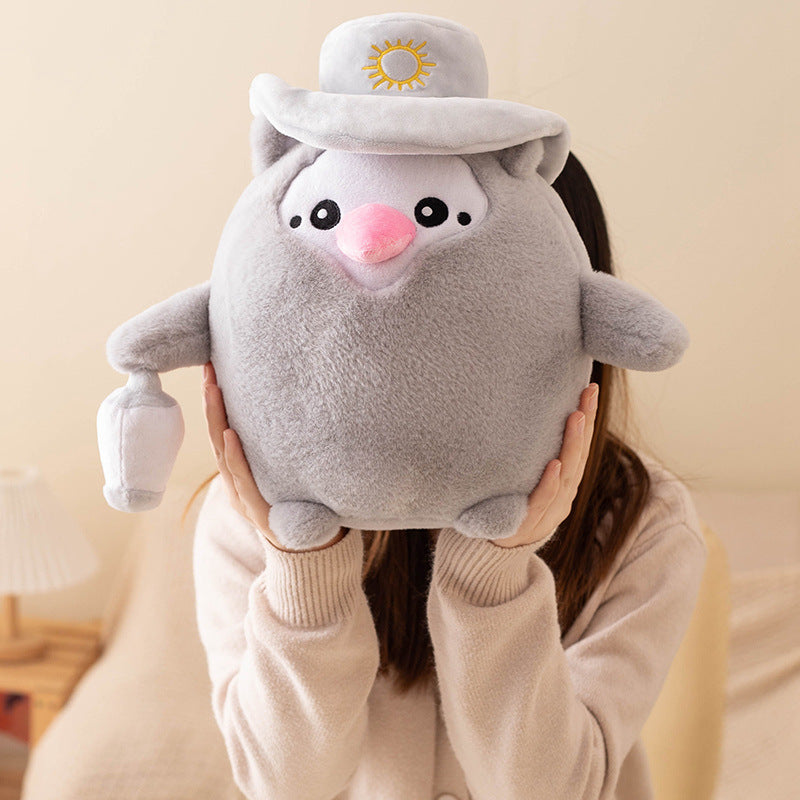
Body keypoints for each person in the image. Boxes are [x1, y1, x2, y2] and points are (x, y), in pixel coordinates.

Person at [188, 151, 708, 800]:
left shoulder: (644, 520)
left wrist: (496, 570)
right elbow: (286, 783)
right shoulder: (253, 512)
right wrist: (303, 563)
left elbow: (552, 790)